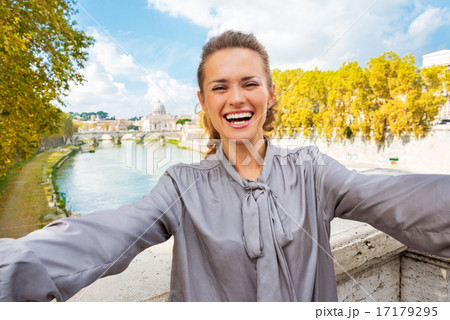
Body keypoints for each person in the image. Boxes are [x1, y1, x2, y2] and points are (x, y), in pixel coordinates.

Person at [1, 30, 450, 302]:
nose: (236, 98)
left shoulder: (313, 170)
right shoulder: (181, 185)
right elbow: (109, 234)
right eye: (220, 87)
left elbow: (399, 200)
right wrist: (15, 265)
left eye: (249, 83)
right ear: (204, 103)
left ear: (270, 94)